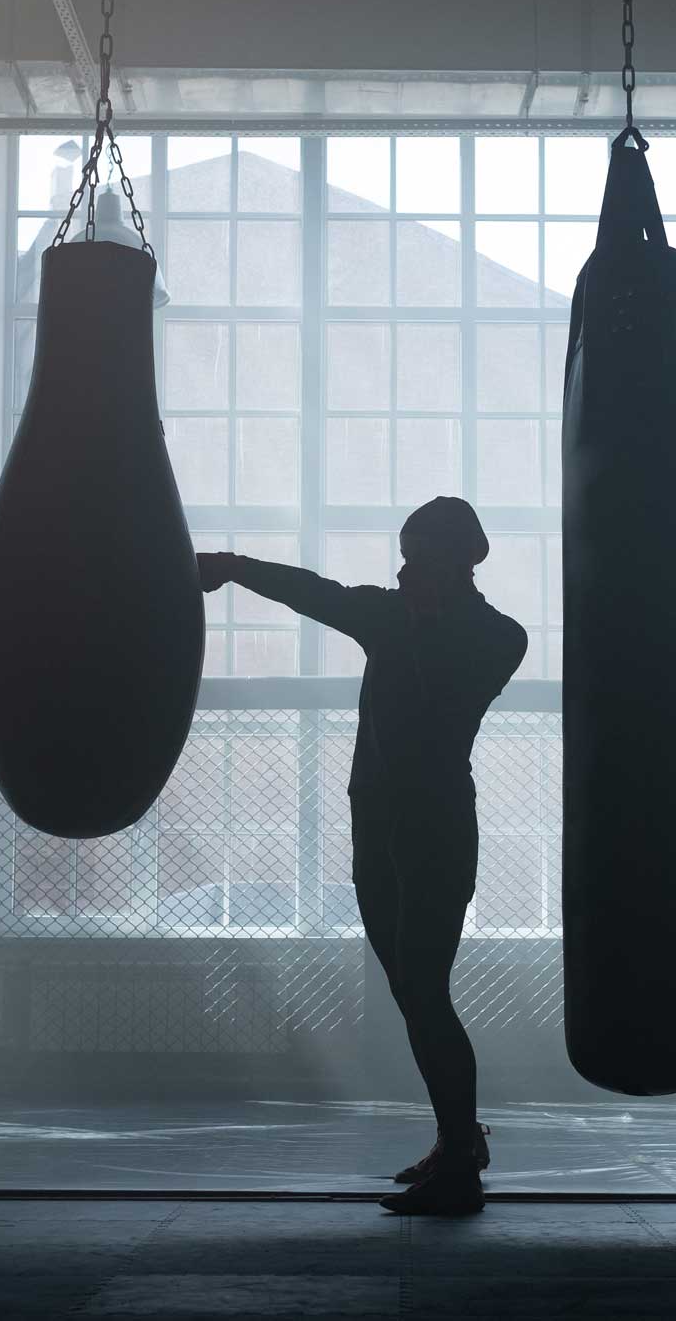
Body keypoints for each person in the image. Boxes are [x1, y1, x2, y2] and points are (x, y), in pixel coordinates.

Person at [197, 497, 527, 1216]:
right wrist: (233, 567)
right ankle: (459, 1139)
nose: (403, 570)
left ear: (453, 563)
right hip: (377, 829)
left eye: (417, 559)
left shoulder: (497, 637)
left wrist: (415, 623)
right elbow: (313, 592)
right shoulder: (391, 618)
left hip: (434, 829)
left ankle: (461, 1163)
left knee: (427, 989)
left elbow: (443, 699)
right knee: (414, 994)